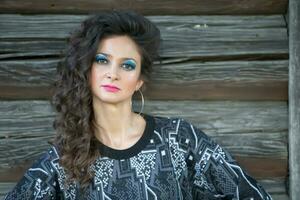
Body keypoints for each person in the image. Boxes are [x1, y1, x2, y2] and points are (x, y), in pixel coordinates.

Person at [4, 10, 272, 200]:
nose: (113, 73)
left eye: (127, 65)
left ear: (140, 81)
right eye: (102, 60)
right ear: (86, 69)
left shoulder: (179, 140)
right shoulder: (62, 161)